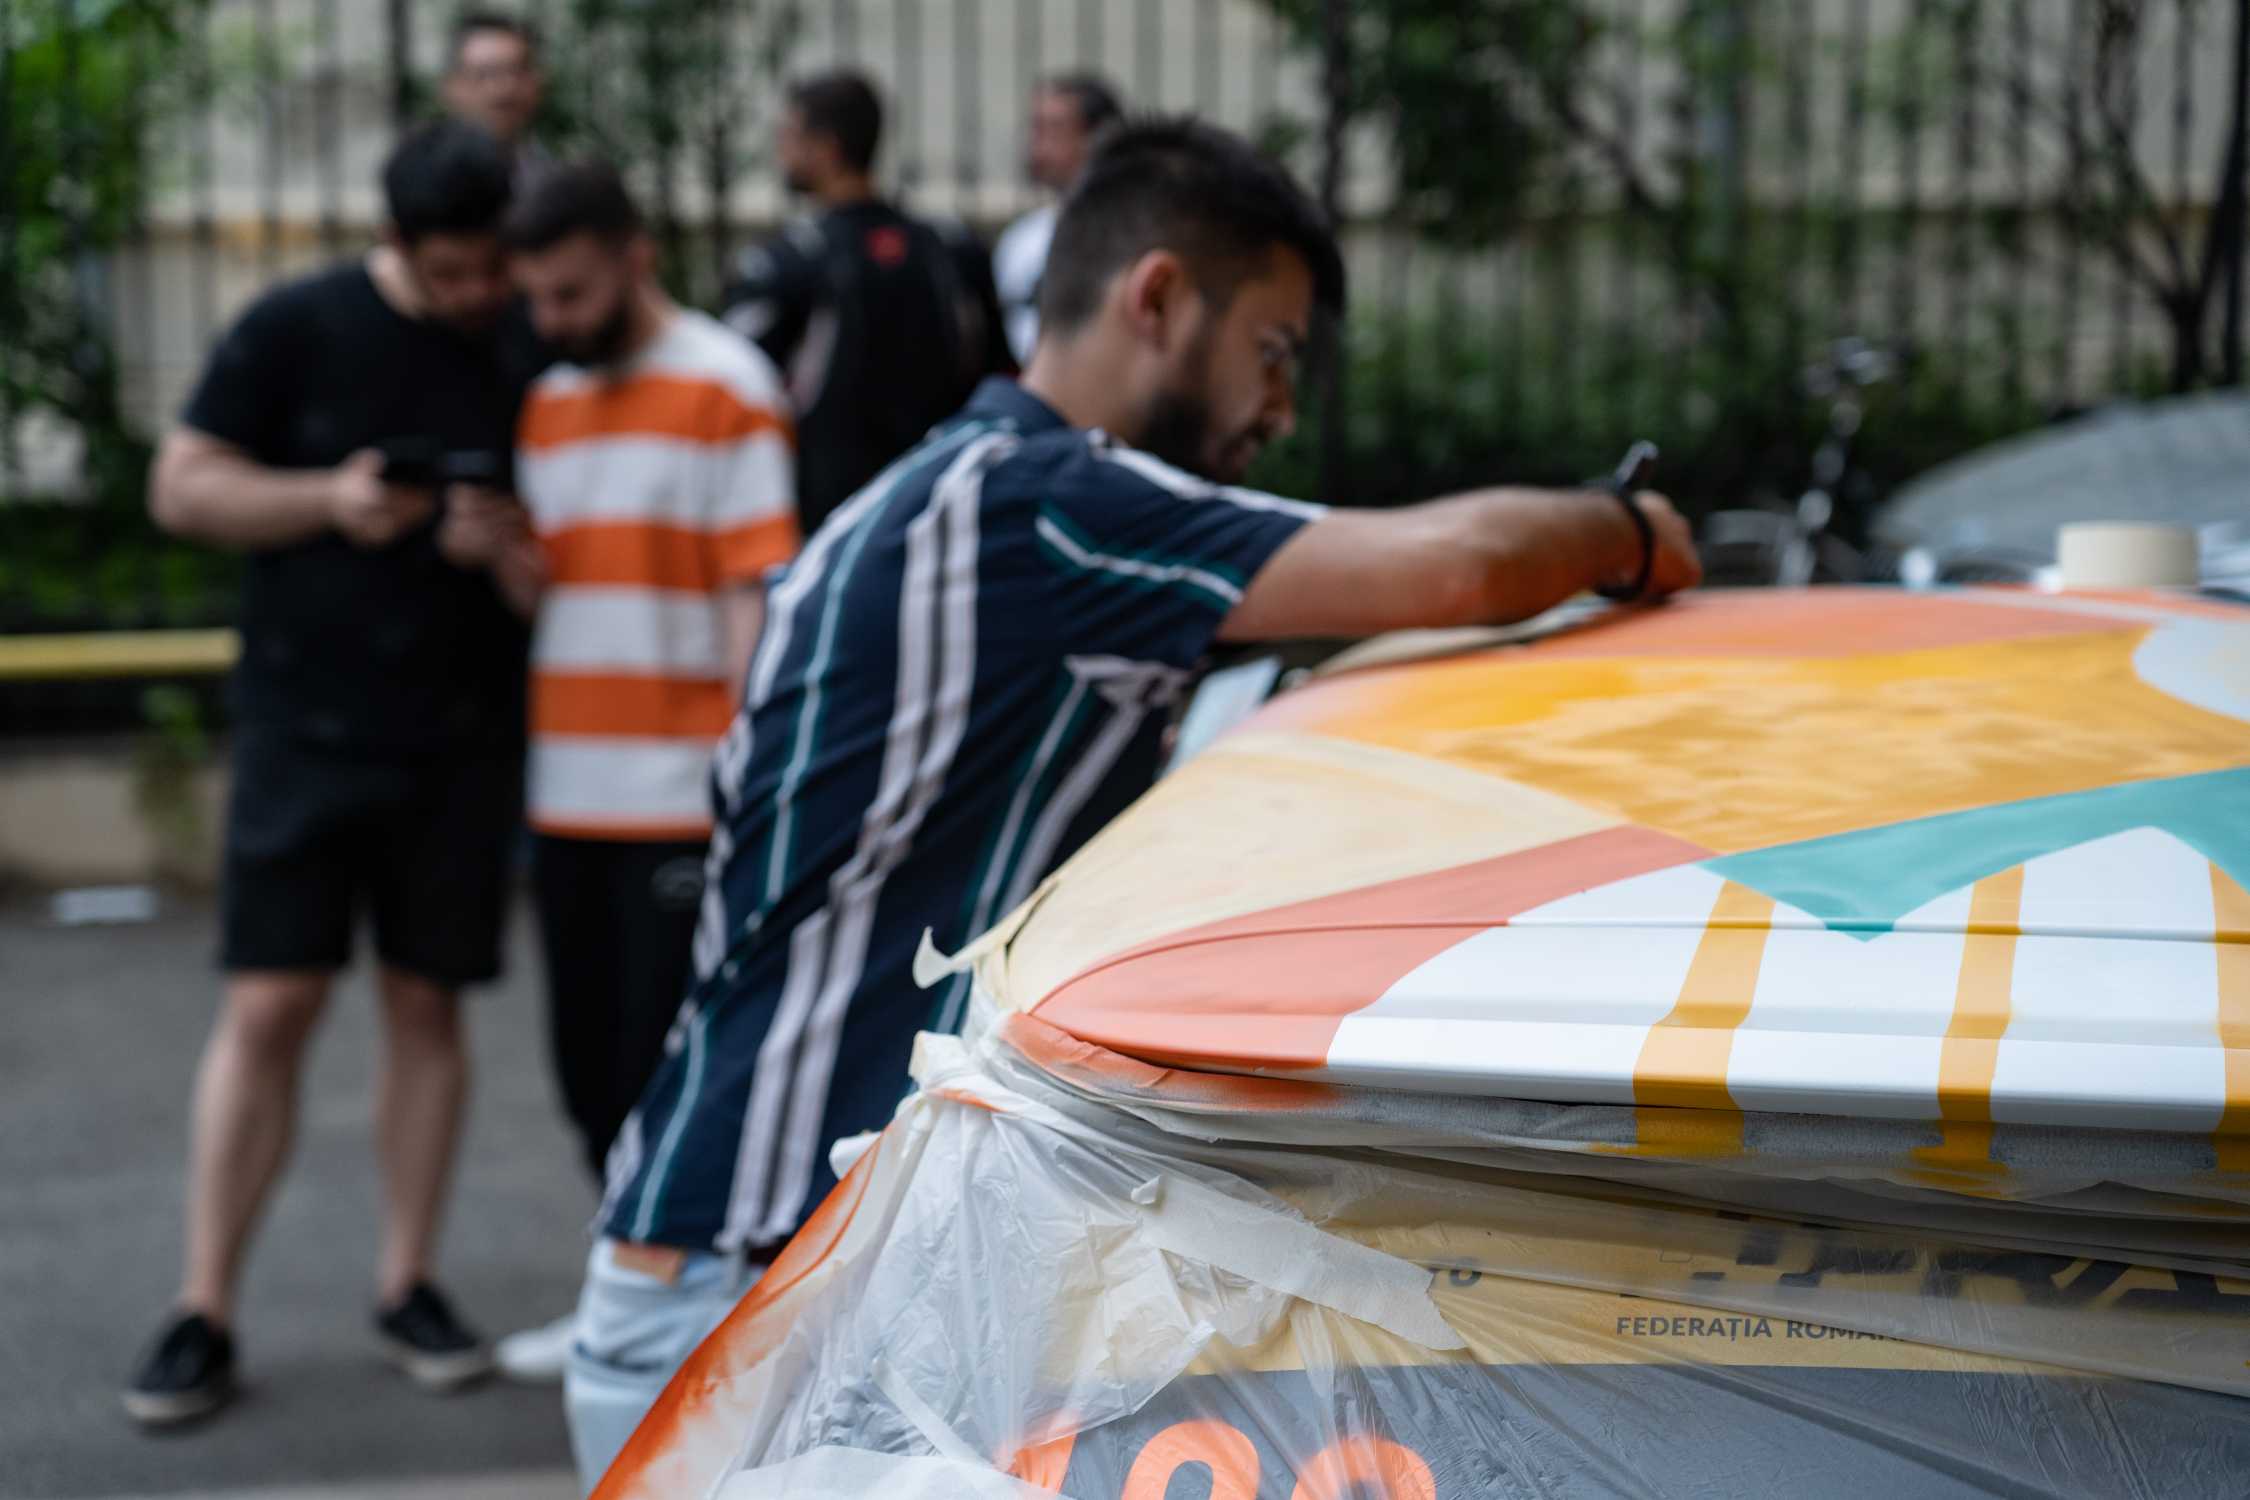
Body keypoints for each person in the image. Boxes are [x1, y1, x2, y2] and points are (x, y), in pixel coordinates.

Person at [561, 116, 1700, 1487]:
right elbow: (1457, 566)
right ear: (1157, 299)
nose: (1280, 410)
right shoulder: (1049, 508)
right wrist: (1627, 533)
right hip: (756, 1300)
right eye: (1272, 351)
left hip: (750, 1268)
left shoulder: (961, 496)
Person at [124, 119, 537, 1427]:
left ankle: (407, 1282)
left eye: (494, 268)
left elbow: (560, 557)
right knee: (271, 1005)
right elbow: (181, 488)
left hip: (458, 737)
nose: (479, 293)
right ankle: (203, 1305)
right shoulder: (295, 326)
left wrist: (500, 548)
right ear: (398, 242)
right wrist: (331, 501)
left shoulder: (524, 341)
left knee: (428, 1005)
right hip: (305, 727)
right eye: (455, 272)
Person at [463, 160, 797, 1384]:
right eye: (536, 297)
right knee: (588, 1074)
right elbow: (559, 591)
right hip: (568, 794)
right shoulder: (549, 399)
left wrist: (748, 792)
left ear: (635, 255)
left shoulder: (728, 387)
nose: (549, 320)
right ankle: (629, 1295)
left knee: (669, 1073)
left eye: (571, 293)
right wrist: (500, 556)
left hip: (677, 801)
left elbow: (754, 599)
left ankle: (690, 1315)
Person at [720, 69, 1003, 538]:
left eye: (789, 136)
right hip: (940, 511)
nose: (780, 151)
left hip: (826, 525)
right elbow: (997, 381)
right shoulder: (951, 252)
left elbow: (734, 391)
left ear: (826, 148)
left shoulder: (786, 265)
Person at [993, 71, 1123, 364]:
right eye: (1035, 127)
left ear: (1097, 138)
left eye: (1053, 129)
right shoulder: (1021, 239)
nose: (1036, 144)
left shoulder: (1131, 237)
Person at [443, 9, 551, 189]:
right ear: (452, 86)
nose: (504, 89)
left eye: (517, 72)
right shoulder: (422, 180)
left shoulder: (553, 180)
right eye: (485, 74)